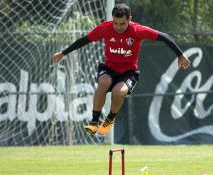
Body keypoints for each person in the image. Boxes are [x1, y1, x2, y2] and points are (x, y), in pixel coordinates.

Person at [52, 3, 191, 135]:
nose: (118, 27)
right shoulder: (105, 28)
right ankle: (94, 122)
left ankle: (110, 119)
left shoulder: (138, 30)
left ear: (129, 19)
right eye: (115, 23)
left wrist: (180, 55)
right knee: (103, 82)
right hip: (109, 68)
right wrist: (63, 53)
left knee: (118, 93)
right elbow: (84, 40)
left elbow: (164, 37)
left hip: (128, 73)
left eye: (122, 24)